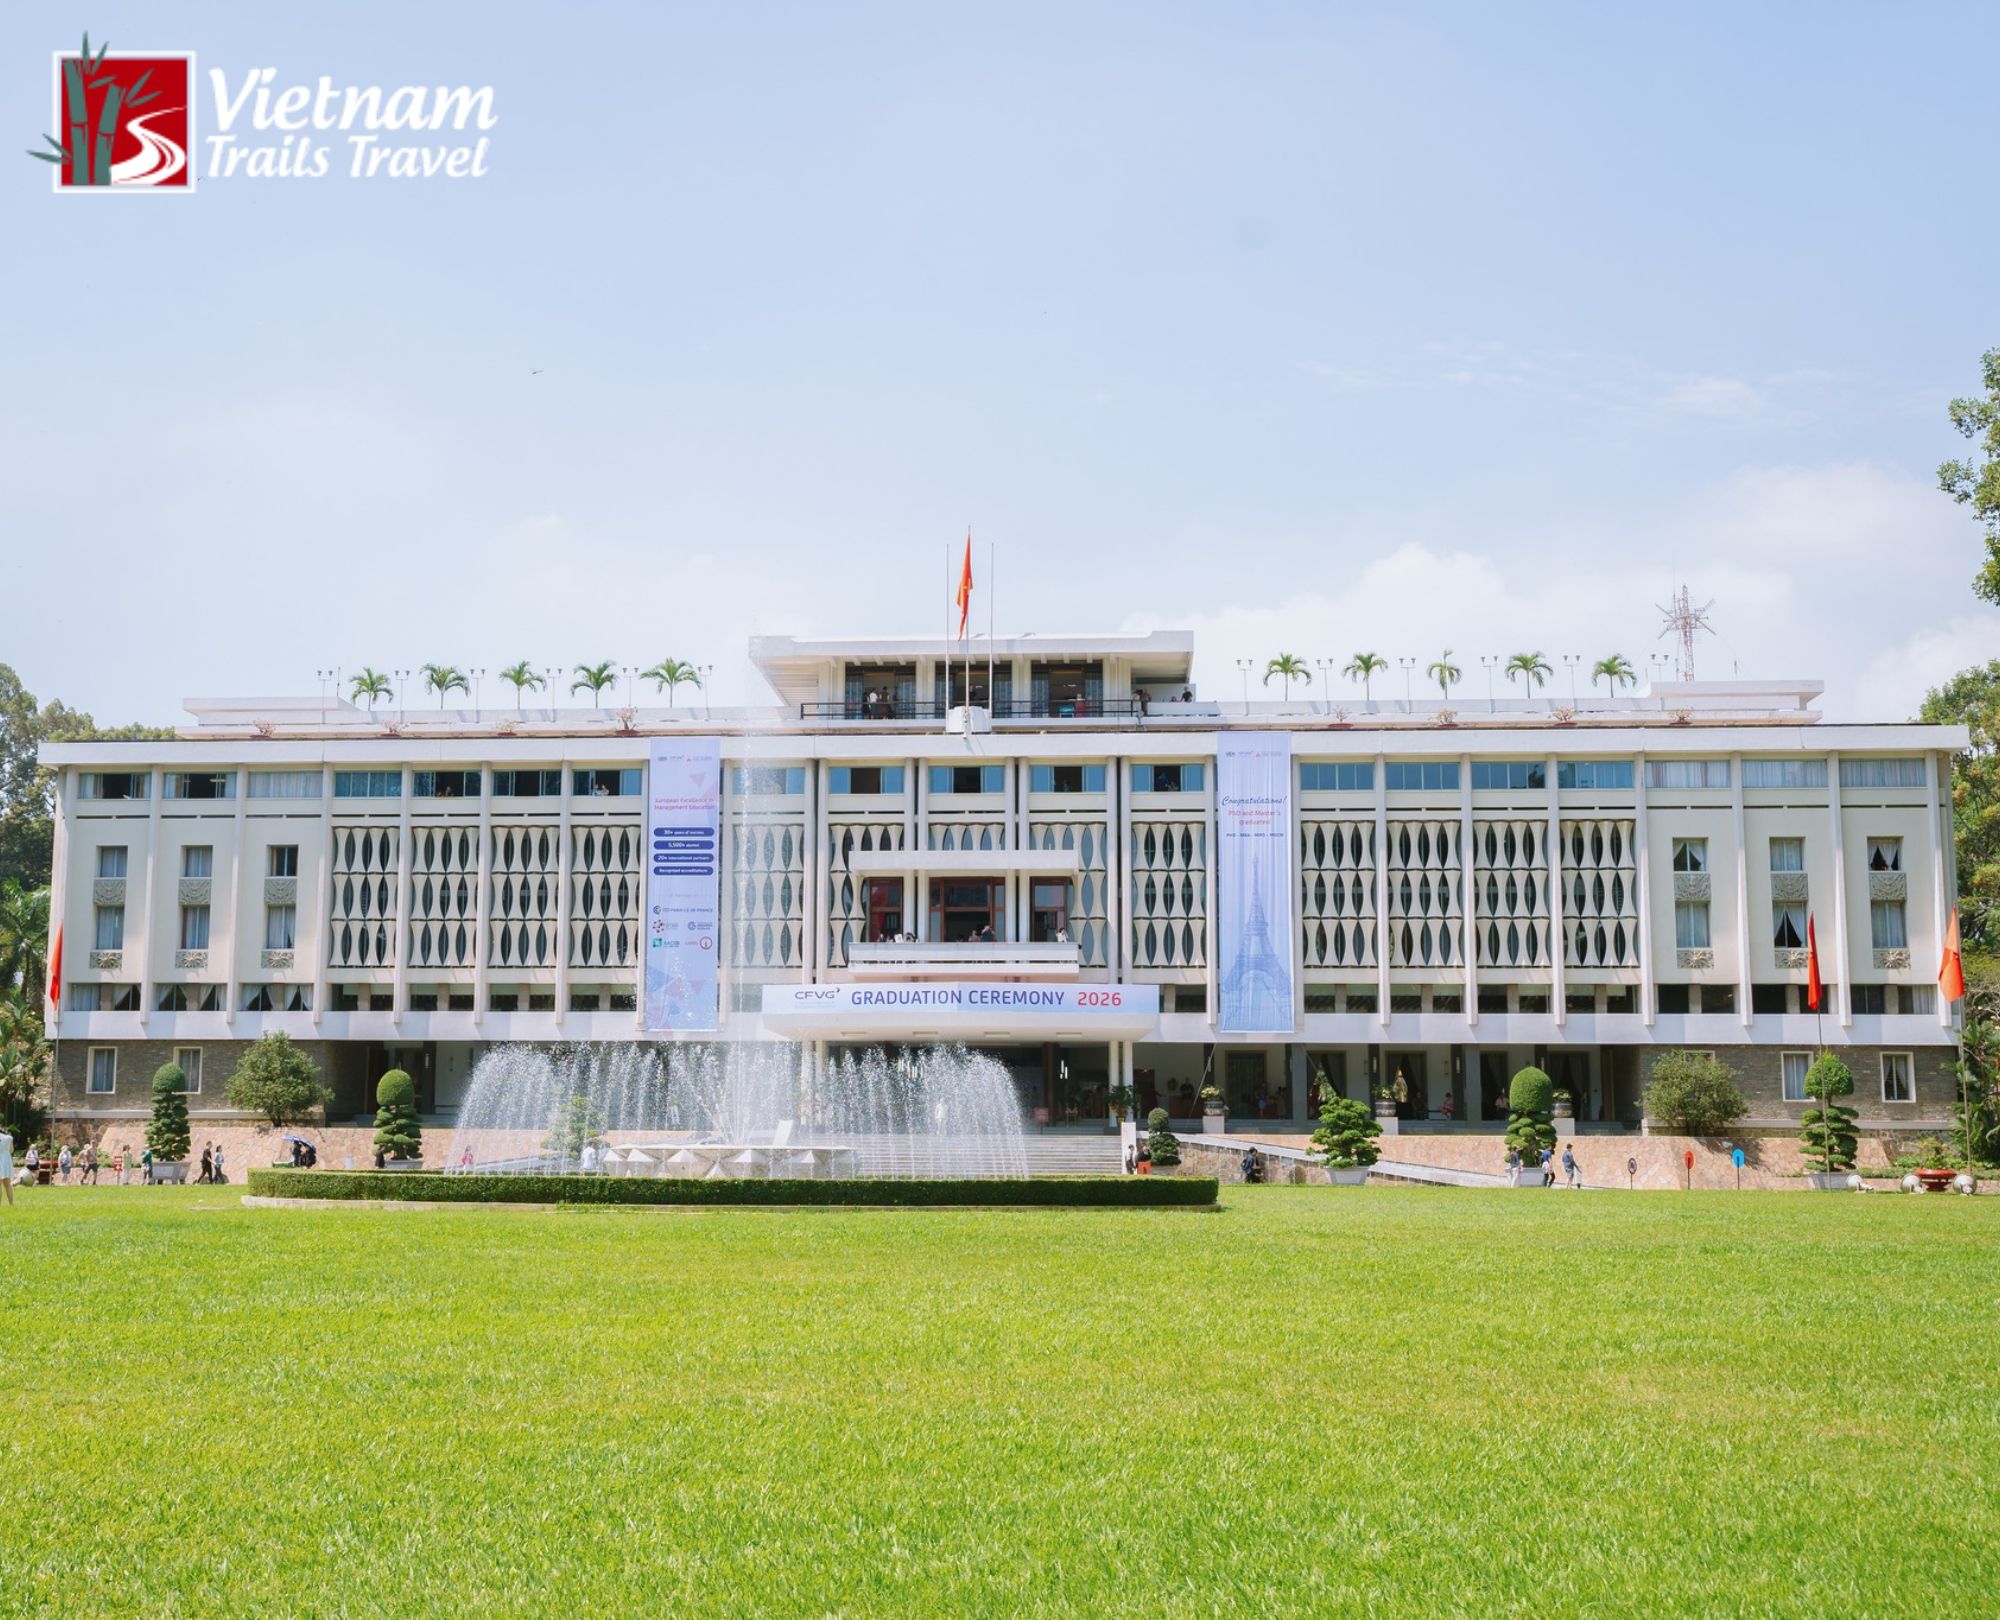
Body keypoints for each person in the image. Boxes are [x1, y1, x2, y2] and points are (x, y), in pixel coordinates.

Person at [0, 1126, 13, 1206]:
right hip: (7, 1161)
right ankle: (11, 1204)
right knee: (8, 1185)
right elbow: (11, 1150)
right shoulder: (9, 1138)